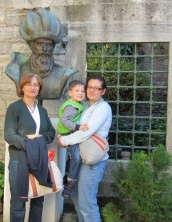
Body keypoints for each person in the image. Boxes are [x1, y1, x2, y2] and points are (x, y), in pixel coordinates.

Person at [57, 75, 112, 222]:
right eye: (90, 87)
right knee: (76, 197)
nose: (92, 90)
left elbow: (86, 132)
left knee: (87, 204)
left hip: (92, 162)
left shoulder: (103, 108)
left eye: (97, 88)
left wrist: (64, 140)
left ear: (103, 91)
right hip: (80, 157)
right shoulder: (85, 105)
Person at [4, 73, 56, 222]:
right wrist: (29, 143)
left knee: (38, 199)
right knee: (19, 200)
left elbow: (51, 132)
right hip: (19, 160)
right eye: (29, 84)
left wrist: (38, 139)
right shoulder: (14, 108)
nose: (32, 87)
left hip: (39, 159)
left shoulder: (42, 110)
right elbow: (9, 135)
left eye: (36, 85)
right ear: (22, 87)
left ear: (39, 88)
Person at [5, 8, 79, 100]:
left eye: (49, 45)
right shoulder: (16, 70)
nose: (45, 49)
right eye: (40, 44)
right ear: (31, 45)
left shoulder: (64, 73)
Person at [57, 80, 88, 198]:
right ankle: (70, 182)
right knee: (76, 157)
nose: (80, 93)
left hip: (71, 133)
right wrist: (78, 127)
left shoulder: (78, 104)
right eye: (77, 91)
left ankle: (68, 176)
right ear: (70, 93)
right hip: (68, 134)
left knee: (74, 157)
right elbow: (65, 120)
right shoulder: (71, 106)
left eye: (82, 91)